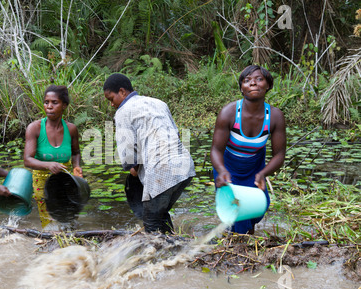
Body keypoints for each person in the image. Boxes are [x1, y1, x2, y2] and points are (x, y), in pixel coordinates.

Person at [103, 73, 195, 234]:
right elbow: (175, 132)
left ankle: (159, 256)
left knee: (151, 222)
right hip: (184, 166)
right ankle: (175, 250)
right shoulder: (158, 103)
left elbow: (129, 155)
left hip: (162, 170)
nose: (111, 104)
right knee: (160, 213)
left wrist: (132, 170)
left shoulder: (123, 111)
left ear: (122, 92)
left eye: (111, 99)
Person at [210, 65, 286, 234]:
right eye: (247, 80)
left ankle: (243, 239)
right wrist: (221, 171)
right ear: (242, 88)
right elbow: (216, 150)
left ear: (268, 86)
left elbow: (279, 155)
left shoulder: (274, 116)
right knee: (237, 212)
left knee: (259, 208)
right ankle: (238, 248)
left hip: (255, 168)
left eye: (259, 79)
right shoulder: (229, 112)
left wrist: (263, 174)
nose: (253, 83)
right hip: (227, 168)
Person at [24, 85, 83, 230]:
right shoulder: (35, 128)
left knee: (69, 222)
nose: (49, 106)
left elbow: (76, 153)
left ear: (64, 105)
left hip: (65, 181)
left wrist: (77, 167)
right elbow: (27, 160)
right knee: (50, 227)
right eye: (46, 102)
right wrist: (48, 165)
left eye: (54, 103)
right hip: (42, 182)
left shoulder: (71, 129)